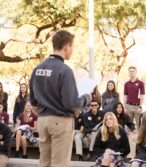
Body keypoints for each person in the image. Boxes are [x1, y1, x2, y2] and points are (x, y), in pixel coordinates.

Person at [29, 30, 90, 167]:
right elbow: (71, 103)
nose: (72, 50)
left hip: (43, 120)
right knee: (59, 164)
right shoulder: (64, 70)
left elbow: (32, 100)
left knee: (44, 163)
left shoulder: (37, 69)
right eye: (72, 46)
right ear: (66, 46)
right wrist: (86, 98)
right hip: (60, 122)